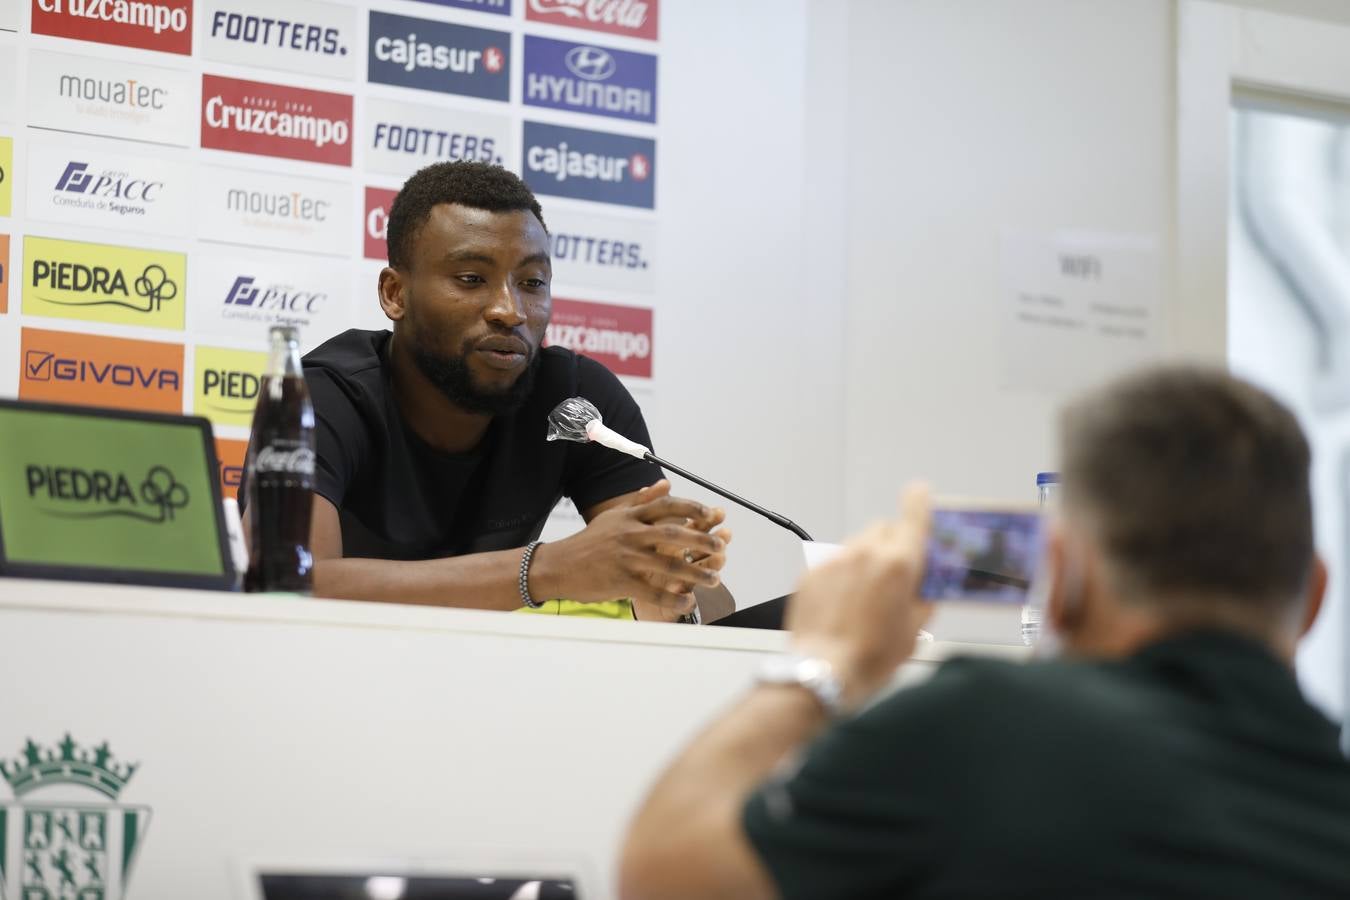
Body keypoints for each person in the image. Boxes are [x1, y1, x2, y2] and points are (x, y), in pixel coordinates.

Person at [619, 367, 1350, 898]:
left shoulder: (985, 723)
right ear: (1314, 596)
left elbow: (664, 875)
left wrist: (826, 660)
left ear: (1059, 580)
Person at [256, 162, 731, 621]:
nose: (510, 310)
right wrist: (545, 570)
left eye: (532, 283)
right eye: (471, 279)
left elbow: (714, 607)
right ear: (395, 294)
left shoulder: (576, 403)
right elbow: (288, 584)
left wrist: (673, 585)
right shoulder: (322, 397)